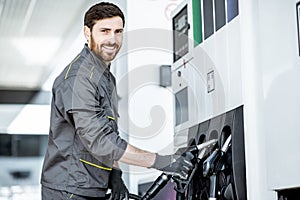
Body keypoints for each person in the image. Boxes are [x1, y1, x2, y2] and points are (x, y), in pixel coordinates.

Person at [41, 2, 195, 200]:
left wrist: (115, 174)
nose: (112, 39)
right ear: (87, 33)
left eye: (118, 31)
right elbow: (99, 140)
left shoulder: (105, 77)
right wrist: (162, 162)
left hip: (90, 187)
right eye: (104, 31)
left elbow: (109, 131)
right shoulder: (77, 80)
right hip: (69, 191)